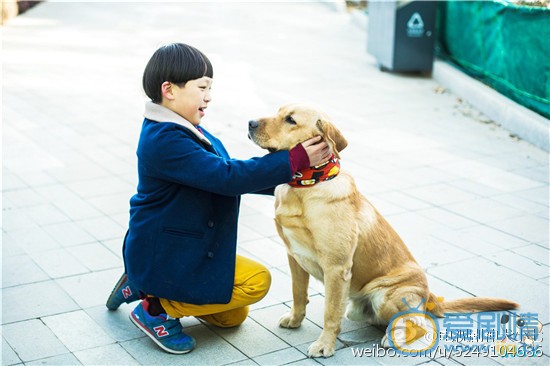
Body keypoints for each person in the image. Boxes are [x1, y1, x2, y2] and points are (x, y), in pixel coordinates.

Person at [105, 43, 331, 354]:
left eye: (210, 87)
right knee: (257, 282)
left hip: (180, 246)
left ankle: (142, 282)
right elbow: (226, 177)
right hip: (168, 249)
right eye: (202, 87)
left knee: (232, 316)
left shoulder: (184, 128)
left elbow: (226, 172)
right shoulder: (164, 140)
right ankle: (155, 309)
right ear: (169, 90)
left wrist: (302, 178)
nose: (208, 96)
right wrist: (293, 160)